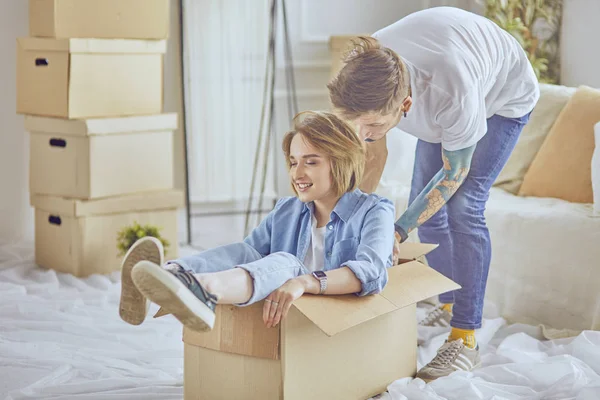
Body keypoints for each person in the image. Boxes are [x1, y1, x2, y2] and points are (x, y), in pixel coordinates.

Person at [327, 6, 539, 381]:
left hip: (504, 96)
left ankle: (465, 335)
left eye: (374, 124)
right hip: (450, 76)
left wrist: (396, 231)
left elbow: (453, 174)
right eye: (355, 124)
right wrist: (350, 220)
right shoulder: (370, 74)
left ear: (405, 107)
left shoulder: (450, 93)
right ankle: (447, 302)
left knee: (463, 208)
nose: (361, 134)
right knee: (427, 211)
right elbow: (373, 154)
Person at [118, 111, 395, 332]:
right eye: (293, 161)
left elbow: (371, 272)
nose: (297, 173)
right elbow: (248, 256)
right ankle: (172, 275)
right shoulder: (288, 209)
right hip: (285, 303)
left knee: (285, 263)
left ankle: (204, 290)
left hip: (327, 316)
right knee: (245, 251)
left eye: (311, 162)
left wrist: (303, 282)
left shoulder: (374, 210)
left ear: (341, 162)